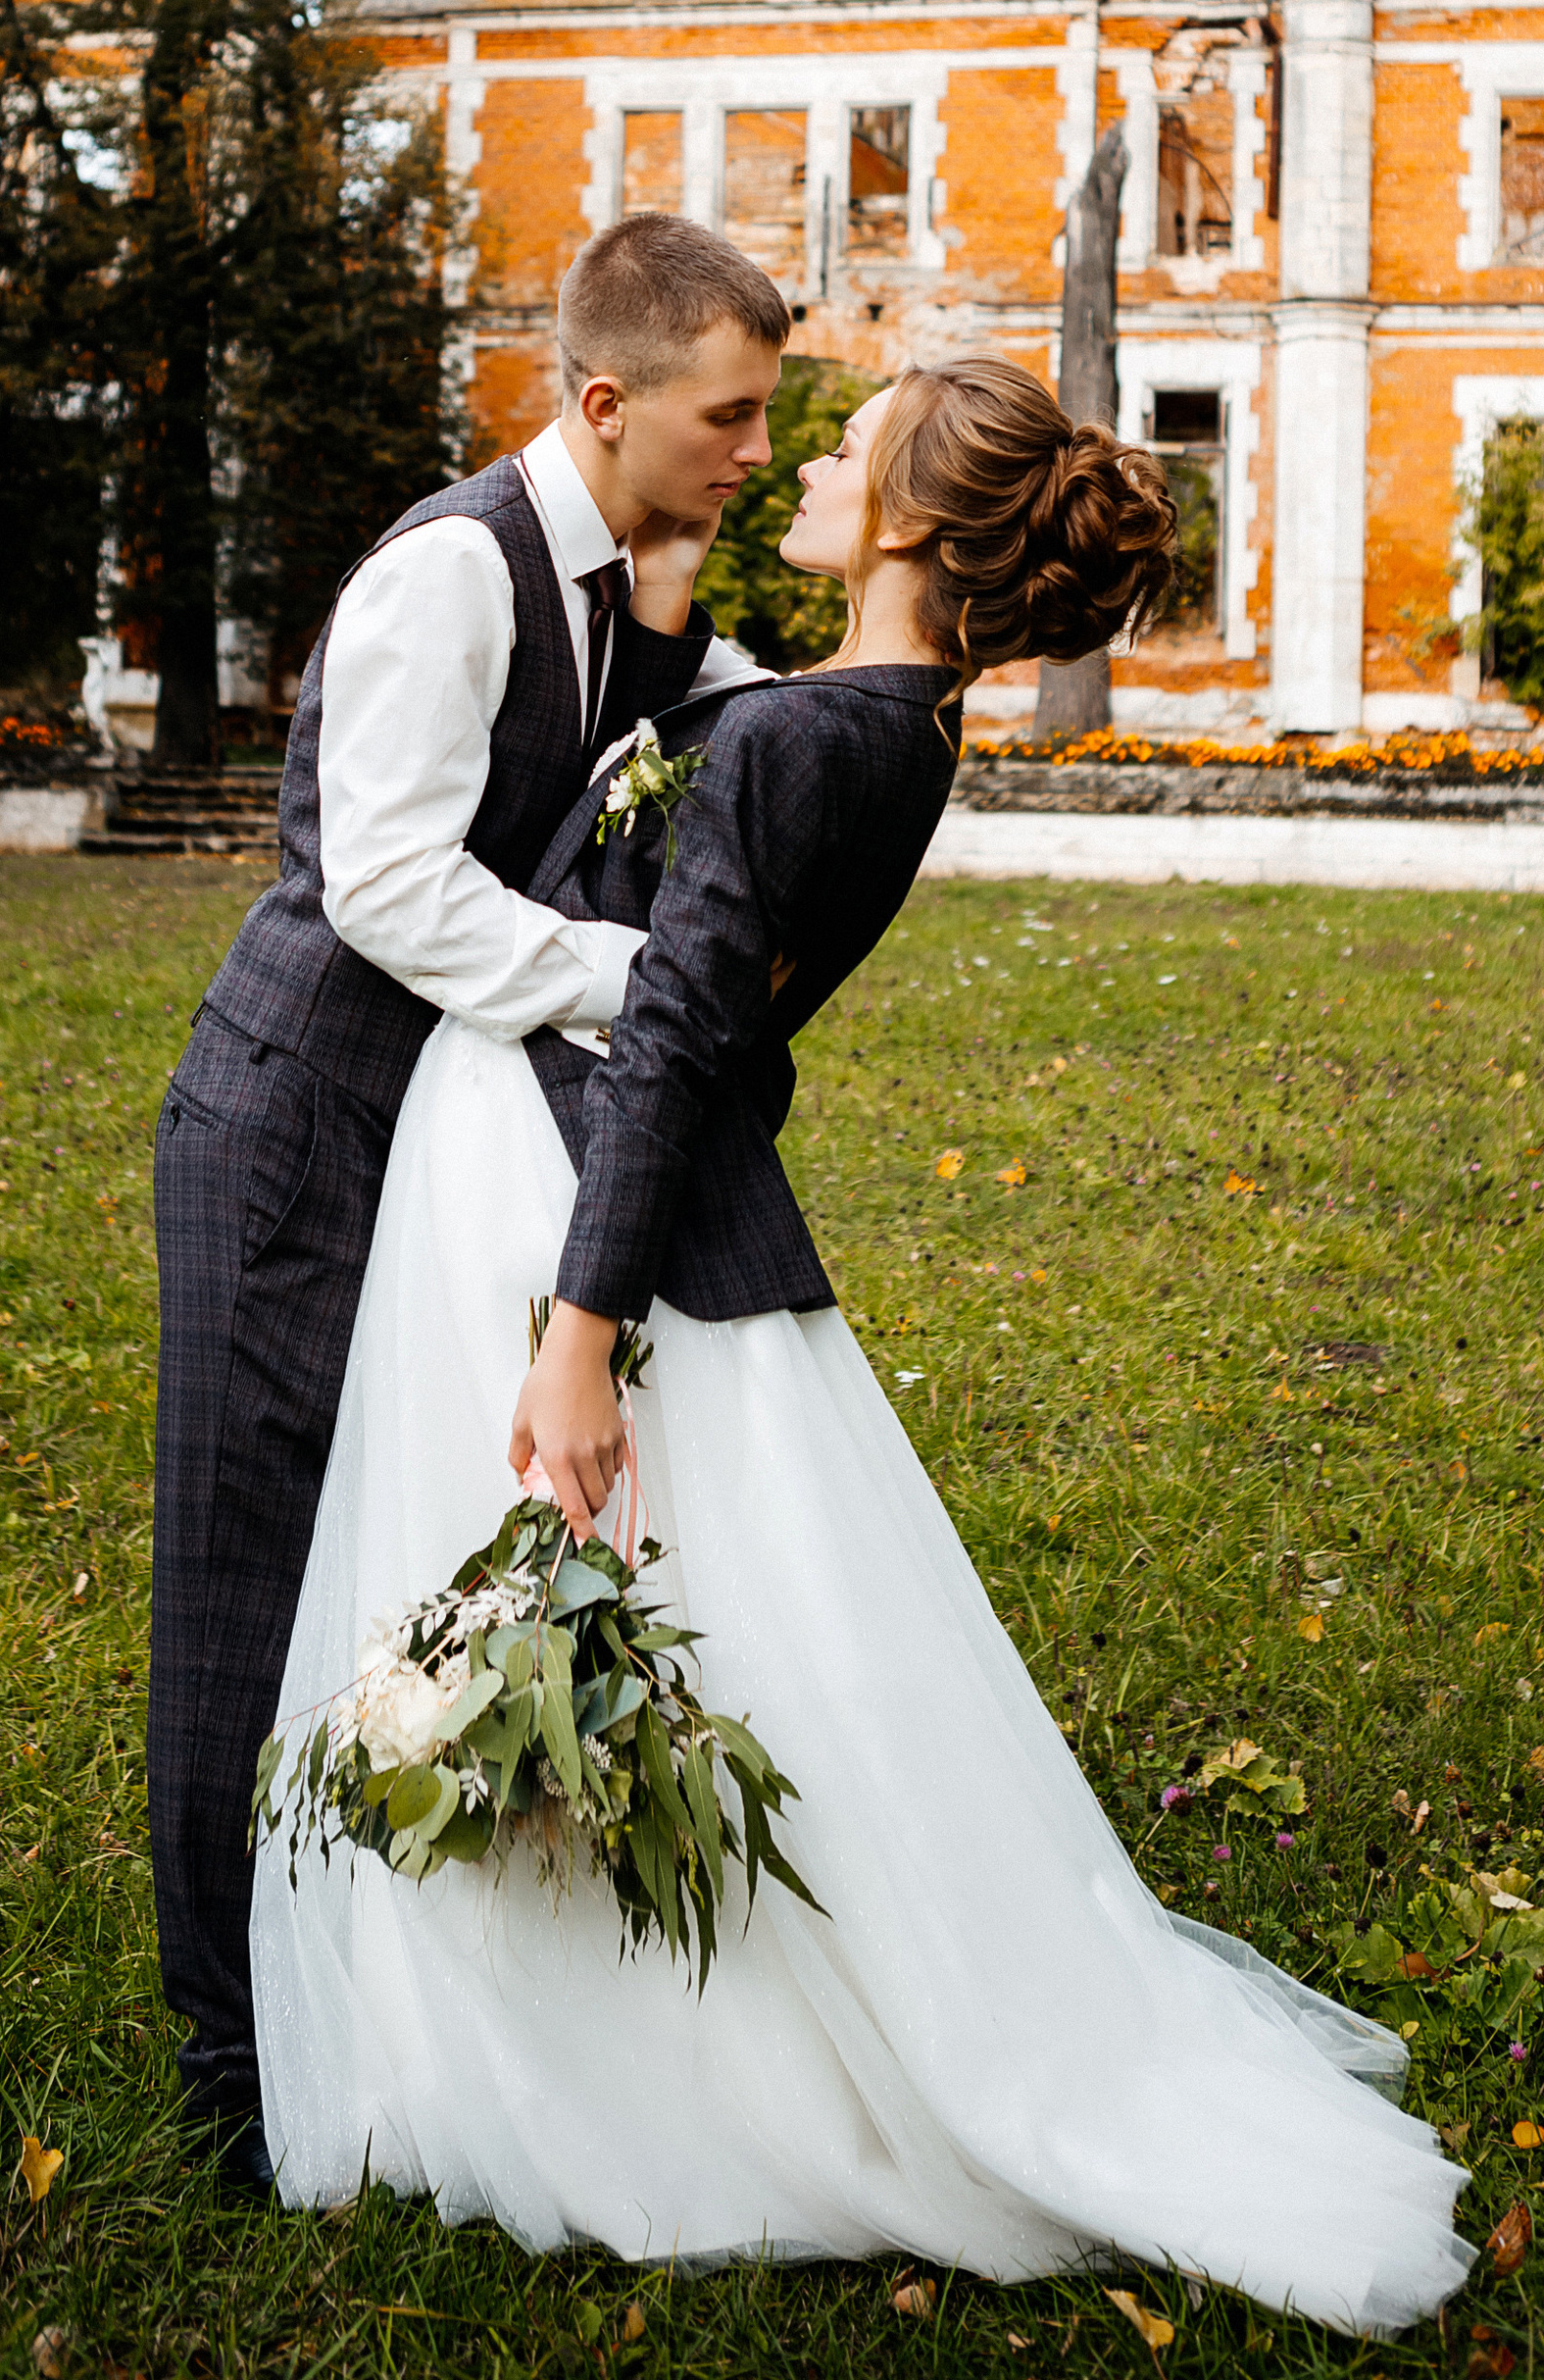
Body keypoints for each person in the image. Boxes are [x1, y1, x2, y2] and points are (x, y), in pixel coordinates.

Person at [249, 360, 1476, 2334]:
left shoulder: (810, 739)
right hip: (560, 1158)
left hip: (569, 1195)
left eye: (844, 438)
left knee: (637, 1622)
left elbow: (677, 1038)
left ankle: (659, 2070)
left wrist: (579, 1335)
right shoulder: (876, 719)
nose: (804, 452)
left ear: (910, 513)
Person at [149, 212, 789, 2191]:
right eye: (731, 418)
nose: (756, 452)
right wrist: (649, 994)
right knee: (242, 1594)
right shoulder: (450, 573)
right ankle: (233, 2070)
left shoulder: (634, 576)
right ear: (605, 405)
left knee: (397, 1548)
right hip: (292, 1123)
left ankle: (383, 1977)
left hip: (441, 1139)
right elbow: (394, 886)